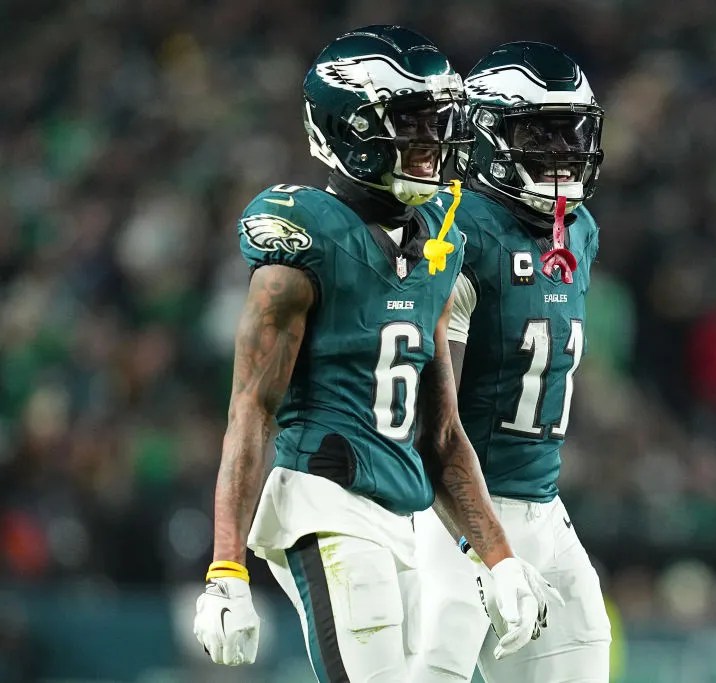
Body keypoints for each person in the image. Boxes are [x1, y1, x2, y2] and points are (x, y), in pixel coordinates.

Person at [192, 26, 558, 683]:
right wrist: (226, 567)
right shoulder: (301, 246)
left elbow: (440, 433)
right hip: (322, 501)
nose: (430, 141)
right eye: (410, 123)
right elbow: (250, 412)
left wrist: (498, 556)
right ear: (346, 128)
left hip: (406, 516)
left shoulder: (437, 245)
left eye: (436, 121)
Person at [412, 42, 612, 682]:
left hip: (543, 507)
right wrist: (481, 546)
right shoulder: (452, 230)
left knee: (584, 651)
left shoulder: (577, 229)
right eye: (540, 133)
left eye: (571, 131)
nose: (562, 150)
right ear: (487, 134)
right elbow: (430, 426)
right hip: (452, 517)